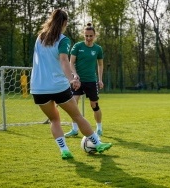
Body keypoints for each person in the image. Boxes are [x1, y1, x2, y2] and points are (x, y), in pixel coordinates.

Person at [30, 9, 112, 159]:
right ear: (65, 23)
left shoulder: (40, 37)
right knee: (78, 116)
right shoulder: (63, 40)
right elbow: (63, 60)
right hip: (58, 86)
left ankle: (64, 150)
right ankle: (97, 143)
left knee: (54, 119)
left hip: (38, 88)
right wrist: (72, 78)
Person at [64, 23, 104, 137]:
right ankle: (75, 129)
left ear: (95, 36)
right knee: (73, 104)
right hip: (78, 81)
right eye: (86, 35)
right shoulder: (78, 46)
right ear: (84, 35)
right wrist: (75, 75)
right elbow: (71, 62)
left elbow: (100, 65)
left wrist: (100, 79)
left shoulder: (98, 49)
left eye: (91, 36)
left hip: (91, 81)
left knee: (94, 105)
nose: (88, 38)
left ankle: (99, 127)